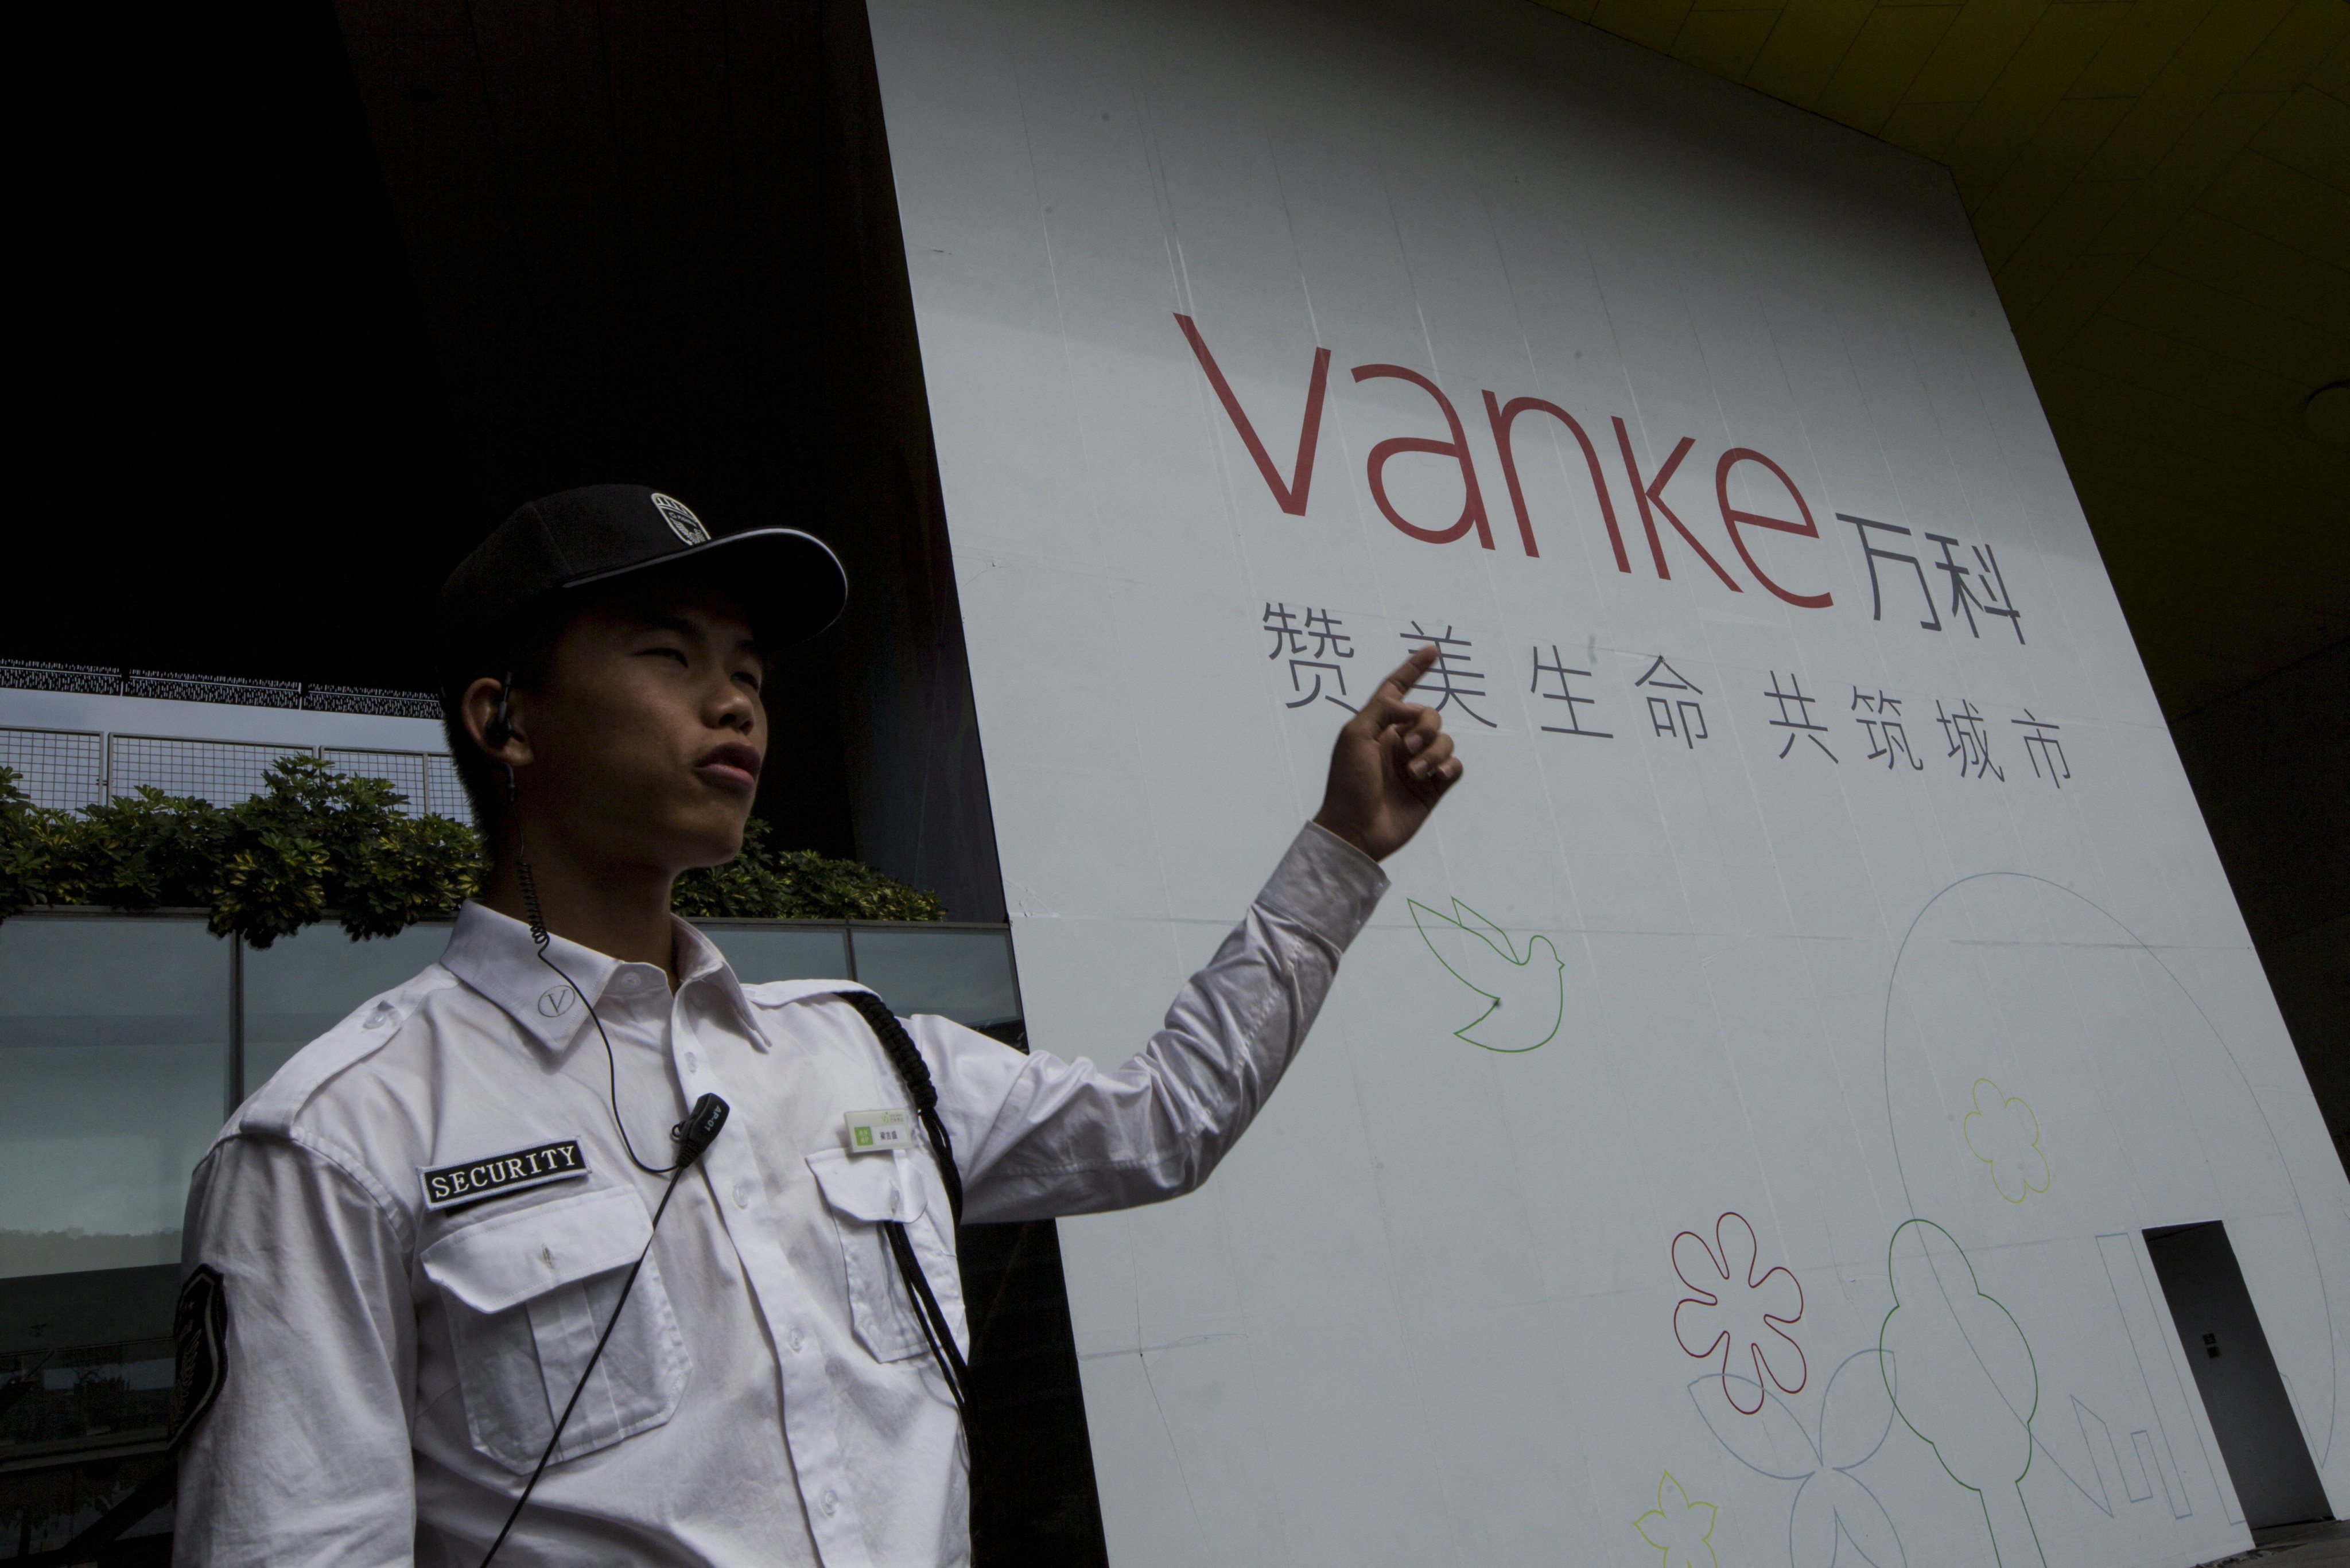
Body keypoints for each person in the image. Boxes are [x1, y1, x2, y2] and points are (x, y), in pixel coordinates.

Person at [170, 484, 1462, 1566]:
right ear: (504, 716)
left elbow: (1160, 1124)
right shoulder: (333, 1138)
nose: (734, 703)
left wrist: (1341, 847)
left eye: (749, 672)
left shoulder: (863, 1050)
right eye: (671, 655)